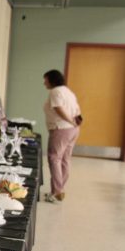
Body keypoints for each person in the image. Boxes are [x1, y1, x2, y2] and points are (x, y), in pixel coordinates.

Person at [43, 70, 81, 203]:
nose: (44, 83)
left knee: (54, 158)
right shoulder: (68, 91)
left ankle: (57, 191)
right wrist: (74, 123)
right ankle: (58, 190)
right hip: (73, 130)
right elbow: (77, 112)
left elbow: (58, 108)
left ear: (52, 80)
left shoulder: (55, 91)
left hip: (61, 129)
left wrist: (69, 121)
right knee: (64, 159)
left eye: (45, 80)